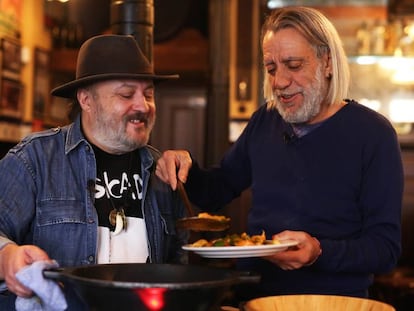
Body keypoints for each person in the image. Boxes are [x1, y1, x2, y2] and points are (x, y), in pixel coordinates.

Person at [155, 6, 404, 301]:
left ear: (327, 62)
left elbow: (384, 249)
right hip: (255, 296)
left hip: (333, 301)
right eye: (271, 69)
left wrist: (319, 251)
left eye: (294, 65)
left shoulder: (372, 133)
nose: (279, 82)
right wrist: (186, 167)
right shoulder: (265, 121)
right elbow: (216, 189)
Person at [0, 34, 187, 309]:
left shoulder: (162, 172)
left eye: (148, 94)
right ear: (86, 99)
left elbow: (177, 266)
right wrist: (7, 256)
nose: (142, 106)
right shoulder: (35, 159)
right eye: (126, 94)